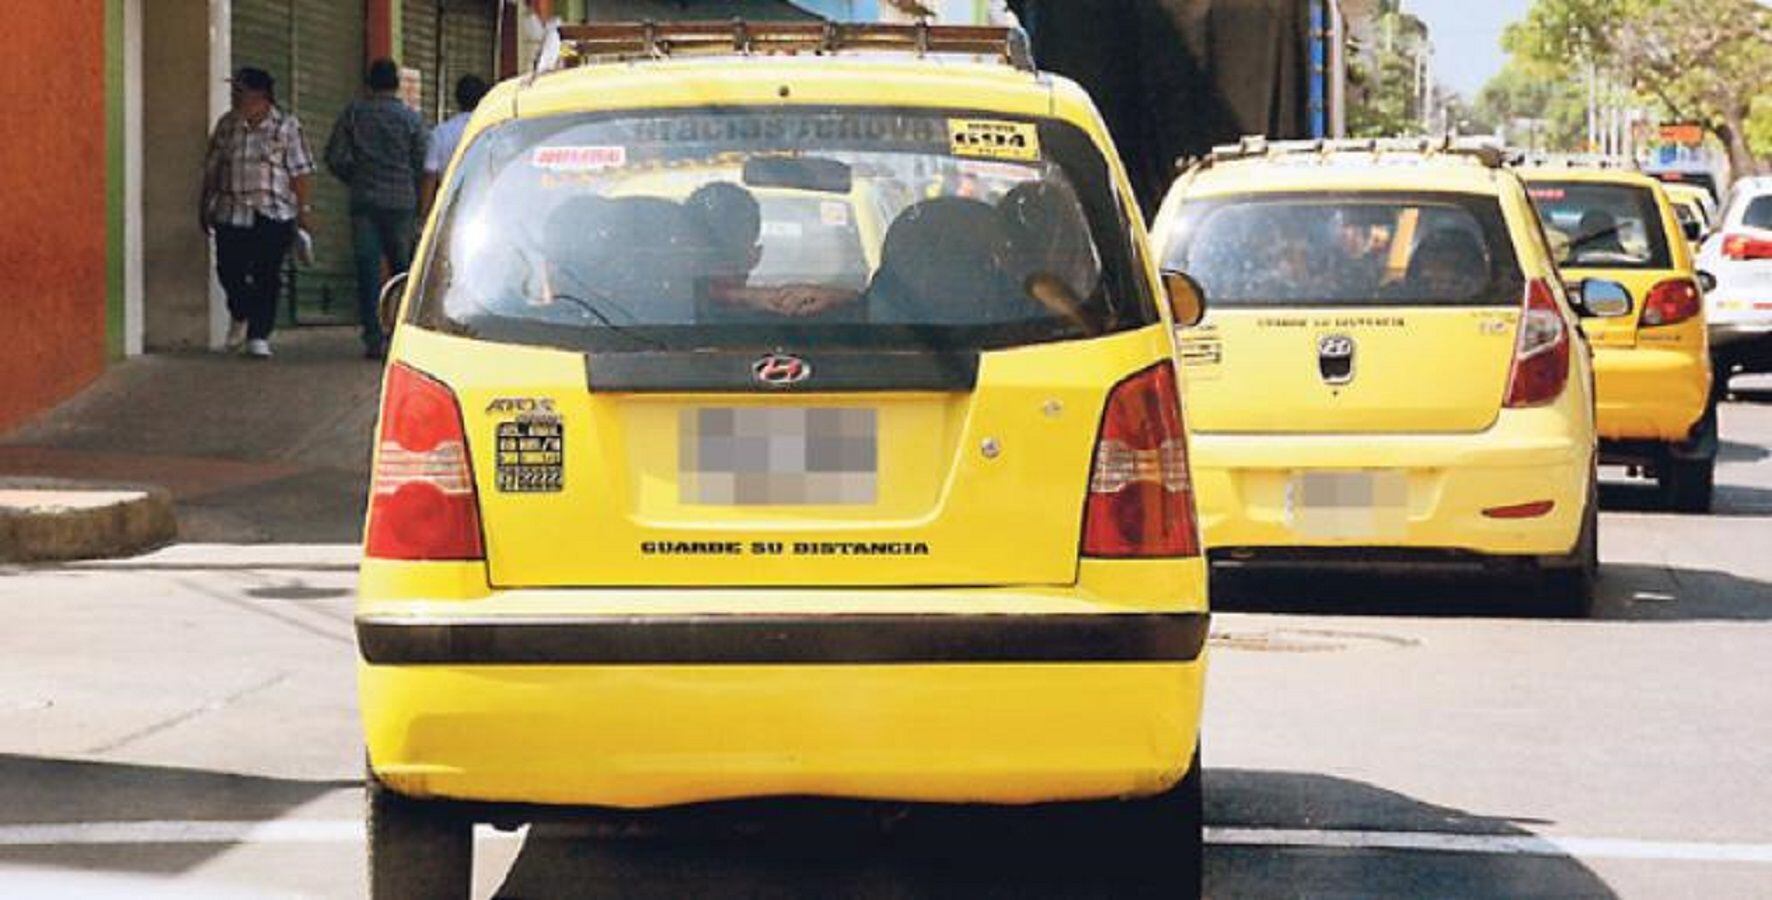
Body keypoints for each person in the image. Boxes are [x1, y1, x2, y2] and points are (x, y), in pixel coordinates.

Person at [200, 67, 316, 360]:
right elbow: (213, 168)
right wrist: (204, 203)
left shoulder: (287, 127)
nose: (236, 97)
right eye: (235, 92)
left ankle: (259, 335)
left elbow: (300, 171)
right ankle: (241, 312)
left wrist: (303, 210)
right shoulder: (227, 125)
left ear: (261, 97)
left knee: (267, 274)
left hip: (274, 212)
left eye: (242, 92)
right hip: (231, 211)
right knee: (229, 270)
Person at [325, 58, 429, 359]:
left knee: (368, 270)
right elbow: (422, 161)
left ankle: (373, 336)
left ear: (369, 83)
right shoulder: (410, 119)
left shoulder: (354, 114)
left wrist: (355, 178)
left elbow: (335, 156)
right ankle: (404, 334)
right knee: (403, 271)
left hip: (365, 202)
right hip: (401, 202)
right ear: (396, 84)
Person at [420, 75, 489, 219]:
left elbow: (430, 177)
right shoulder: (491, 132)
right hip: (483, 207)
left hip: (448, 209)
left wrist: (424, 215)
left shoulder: (441, 133)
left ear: (457, 99)